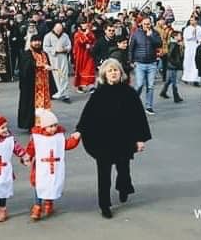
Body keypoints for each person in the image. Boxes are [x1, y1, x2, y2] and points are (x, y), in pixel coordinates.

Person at [75, 59, 151, 219]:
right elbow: (87, 115)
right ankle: (104, 204)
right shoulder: (99, 94)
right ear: (104, 74)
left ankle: (123, 187)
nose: (113, 73)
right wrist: (79, 131)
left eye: (115, 70)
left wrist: (140, 139)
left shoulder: (129, 93)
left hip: (124, 139)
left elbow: (138, 117)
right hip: (102, 140)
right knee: (104, 174)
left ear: (120, 73)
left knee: (123, 170)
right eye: (109, 71)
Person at [25, 109, 80, 221]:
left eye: (55, 125)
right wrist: (27, 157)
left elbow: (67, 145)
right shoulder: (37, 138)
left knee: (52, 184)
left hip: (54, 167)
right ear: (44, 127)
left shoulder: (59, 137)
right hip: (41, 168)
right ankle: (37, 206)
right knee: (39, 186)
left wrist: (75, 139)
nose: (53, 128)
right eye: (50, 126)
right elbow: (31, 149)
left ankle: (49, 203)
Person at [17, 34, 57, 130]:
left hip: (44, 84)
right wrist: (41, 65)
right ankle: (32, 124)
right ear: (31, 42)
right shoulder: (26, 53)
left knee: (44, 105)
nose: (37, 43)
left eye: (39, 41)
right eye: (35, 41)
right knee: (31, 106)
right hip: (32, 85)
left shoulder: (44, 54)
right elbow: (26, 66)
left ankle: (44, 123)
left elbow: (48, 67)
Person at [130, 17, 162, 115]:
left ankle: (149, 106)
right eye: (145, 24)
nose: (147, 26)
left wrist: (151, 36)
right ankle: (133, 103)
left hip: (152, 63)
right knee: (139, 85)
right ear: (141, 24)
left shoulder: (155, 33)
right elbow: (131, 48)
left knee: (150, 86)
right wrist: (131, 61)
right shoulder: (136, 34)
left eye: (148, 24)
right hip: (139, 63)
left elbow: (159, 44)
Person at [43, 22, 72, 102]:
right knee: (56, 75)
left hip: (63, 57)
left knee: (64, 75)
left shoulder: (65, 35)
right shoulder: (48, 36)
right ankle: (59, 91)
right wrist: (55, 50)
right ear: (54, 28)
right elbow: (45, 47)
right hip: (53, 58)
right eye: (57, 29)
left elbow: (69, 45)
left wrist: (65, 49)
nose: (59, 31)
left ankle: (65, 94)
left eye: (60, 29)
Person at [159, 31, 184, 103]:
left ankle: (163, 92)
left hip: (171, 65)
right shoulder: (174, 44)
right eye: (179, 35)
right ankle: (176, 97)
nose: (181, 37)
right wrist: (175, 63)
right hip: (172, 66)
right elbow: (169, 56)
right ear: (175, 36)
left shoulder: (175, 44)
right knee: (174, 82)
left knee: (169, 80)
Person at [72, 19, 96, 93]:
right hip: (80, 54)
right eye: (83, 23)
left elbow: (94, 40)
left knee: (90, 69)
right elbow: (80, 42)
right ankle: (80, 86)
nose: (85, 24)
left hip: (88, 54)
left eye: (85, 23)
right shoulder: (77, 34)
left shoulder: (90, 32)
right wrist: (85, 34)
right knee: (80, 70)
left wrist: (91, 45)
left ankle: (91, 85)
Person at [182, 16, 201, 86]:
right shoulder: (187, 29)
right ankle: (186, 77)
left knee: (196, 64)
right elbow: (187, 37)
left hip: (196, 48)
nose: (191, 22)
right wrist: (193, 33)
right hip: (189, 49)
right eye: (190, 20)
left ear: (196, 21)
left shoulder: (200, 29)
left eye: (193, 20)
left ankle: (196, 80)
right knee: (188, 64)